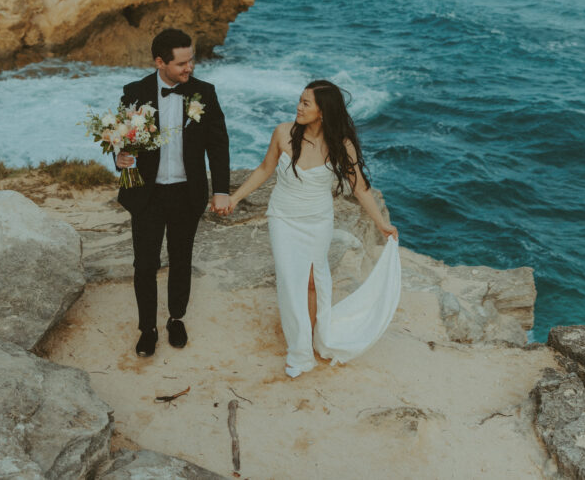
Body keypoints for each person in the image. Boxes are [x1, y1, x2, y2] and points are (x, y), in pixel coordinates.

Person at [226, 80, 401, 378]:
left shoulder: (340, 144)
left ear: (323, 111)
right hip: (283, 217)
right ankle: (299, 350)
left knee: (311, 281)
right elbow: (265, 169)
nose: (299, 106)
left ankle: (310, 337)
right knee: (289, 279)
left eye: (307, 103)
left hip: (317, 220)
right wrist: (235, 197)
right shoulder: (283, 133)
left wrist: (382, 223)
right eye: (300, 100)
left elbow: (360, 188)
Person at [116, 28, 230, 357]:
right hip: (146, 194)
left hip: (186, 192)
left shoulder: (204, 93)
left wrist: (221, 189)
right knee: (144, 264)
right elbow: (121, 137)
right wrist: (119, 157)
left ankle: (176, 318)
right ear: (160, 62)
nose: (189, 67)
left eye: (191, 60)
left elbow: (218, 144)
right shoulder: (133, 92)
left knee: (182, 260)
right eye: (181, 63)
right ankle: (147, 328)